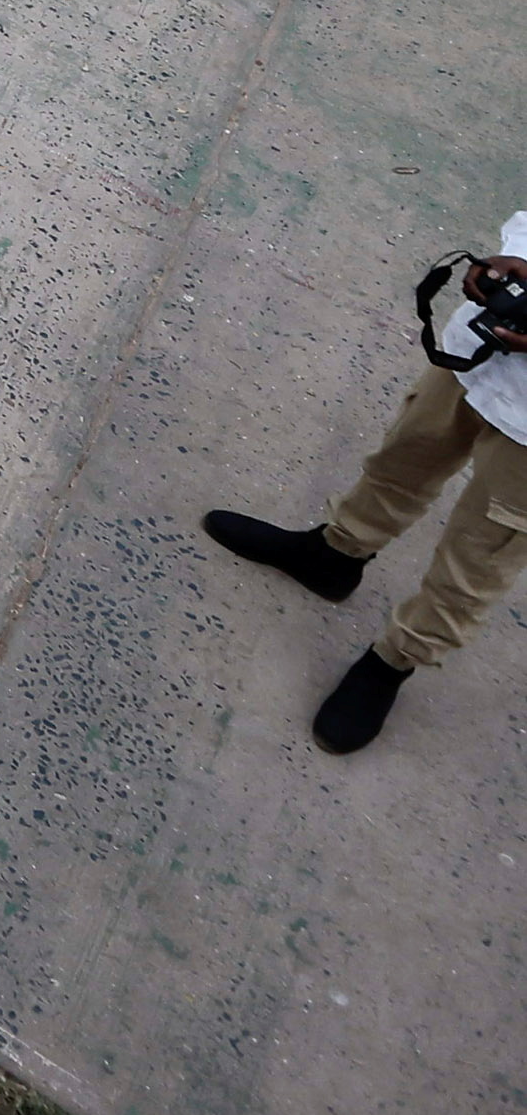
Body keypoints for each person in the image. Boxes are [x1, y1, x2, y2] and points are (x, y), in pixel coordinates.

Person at [199, 216, 527, 757]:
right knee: (404, 457)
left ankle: (392, 662)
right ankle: (333, 555)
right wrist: (515, 260)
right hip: (479, 352)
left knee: (480, 556)